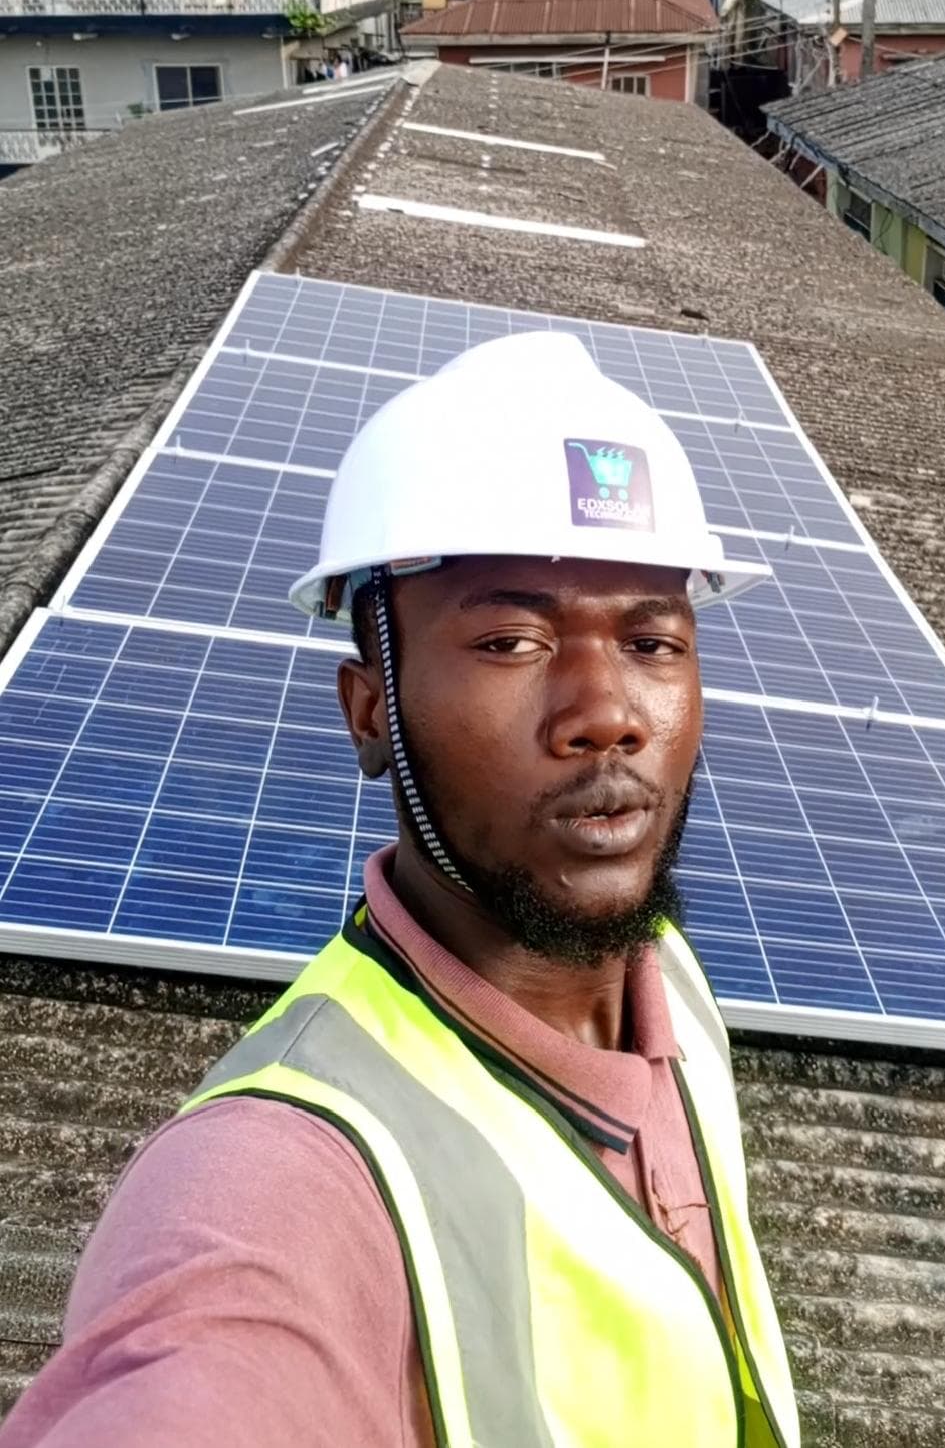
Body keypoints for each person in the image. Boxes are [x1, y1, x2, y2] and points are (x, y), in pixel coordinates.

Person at [2, 331, 799, 1448]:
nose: (607, 709)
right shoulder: (285, 1174)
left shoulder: (663, 970)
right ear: (370, 710)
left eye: (653, 639)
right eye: (513, 639)